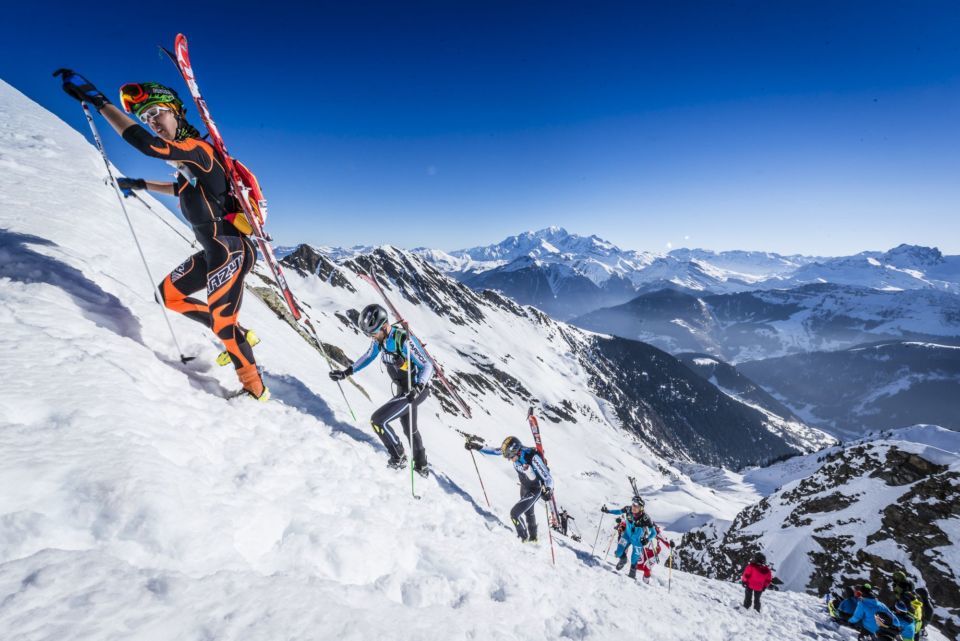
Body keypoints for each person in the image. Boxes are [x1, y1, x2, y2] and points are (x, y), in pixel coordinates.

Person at [54, 71, 268, 400]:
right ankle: (235, 333)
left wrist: (102, 104)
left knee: (223, 323)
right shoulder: (189, 167)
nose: (152, 121)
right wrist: (141, 185)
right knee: (168, 295)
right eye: (145, 117)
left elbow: (149, 147)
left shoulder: (198, 150)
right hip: (215, 252)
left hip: (231, 249)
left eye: (157, 113)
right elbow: (179, 188)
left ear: (176, 111)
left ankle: (254, 387)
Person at [330, 304, 434, 475]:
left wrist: (418, 387)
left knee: (378, 420)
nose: (372, 337)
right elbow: (368, 356)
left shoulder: (403, 340)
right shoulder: (381, 340)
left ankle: (398, 455)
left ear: (385, 326)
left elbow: (427, 365)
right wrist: (346, 372)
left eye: (374, 333)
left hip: (414, 391)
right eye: (369, 334)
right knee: (409, 429)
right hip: (403, 390)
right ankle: (421, 466)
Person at [465, 436, 554, 542]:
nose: (509, 459)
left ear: (516, 452)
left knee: (514, 514)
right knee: (528, 512)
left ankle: (523, 539)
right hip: (524, 486)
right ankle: (533, 538)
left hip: (535, 489)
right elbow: (495, 451)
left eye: (510, 457)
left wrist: (548, 489)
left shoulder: (532, 457)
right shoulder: (512, 452)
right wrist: (477, 447)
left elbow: (548, 477)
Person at [601, 497, 657, 582]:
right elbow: (619, 511)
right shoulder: (628, 509)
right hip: (627, 535)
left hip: (637, 541)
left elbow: (654, 533)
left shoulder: (645, 518)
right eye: (633, 504)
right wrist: (608, 511)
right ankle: (623, 560)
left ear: (641, 508)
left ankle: (631, 578)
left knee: (634, 559)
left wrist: (647, 539)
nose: (633, 507)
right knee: (618, 552)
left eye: (636, 506)